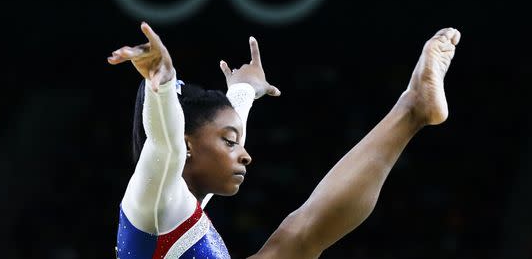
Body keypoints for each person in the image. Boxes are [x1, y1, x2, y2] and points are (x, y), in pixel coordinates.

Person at [108, 23, 461, 258]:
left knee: (297, 236)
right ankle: (411, 109)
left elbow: (213, 132)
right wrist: (162, 85)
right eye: (231, 144)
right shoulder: (151, 200)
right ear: (187, 145)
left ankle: (413, 107)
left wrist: (244, 92)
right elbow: (164, 142)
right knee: (296, 238)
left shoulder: (181, 200)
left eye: (237, 143)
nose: (245, 155)